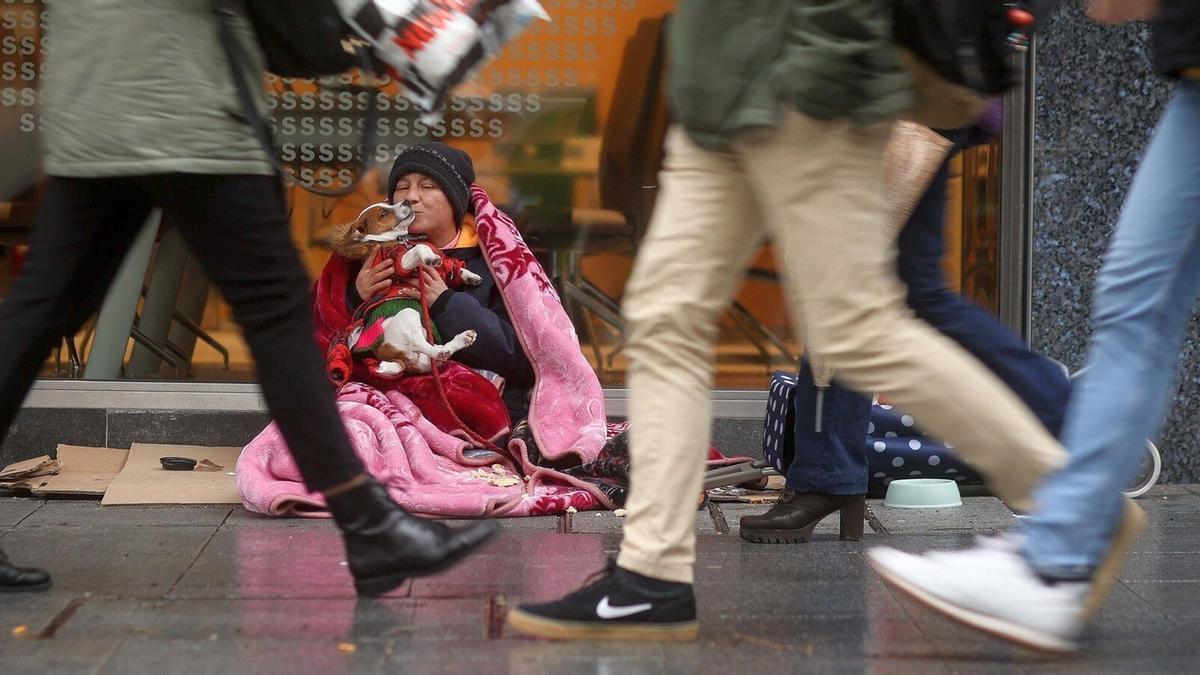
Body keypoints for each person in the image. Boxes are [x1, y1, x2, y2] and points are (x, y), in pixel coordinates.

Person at [507, 0, 1077, 642]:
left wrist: (826, 63)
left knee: (856, 334)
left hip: (804, 81)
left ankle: (1072, 503)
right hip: (720, 91)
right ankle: (652, 577)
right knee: (668, 318)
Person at [0, 1, 495, 594]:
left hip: (96, 104)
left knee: (39, 311)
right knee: (276, 314)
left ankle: (372, 527)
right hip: (190, 111)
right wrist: (361, 36)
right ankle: (372, 527)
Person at [866, 0, 1196, 652]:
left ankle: (1059, 540)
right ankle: (1065, 528)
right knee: (1135, 309)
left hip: (932, 73)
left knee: (1133, 311)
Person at [740, 116, 1072, 543]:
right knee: (874, 297)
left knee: (884, 299)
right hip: (903, 102)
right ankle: (828, 472)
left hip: (898, 104)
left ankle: (1067, 421)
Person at [346, 143, 536, 425]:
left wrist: (447, 303)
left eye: (427, 186)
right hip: (380, 405)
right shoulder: (367, 260)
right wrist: (355, 296)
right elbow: (322, 337)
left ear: (454, 201)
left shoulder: (496, 263)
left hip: (466, 415)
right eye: (401, 187)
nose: (411, 197)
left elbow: (523, 358)